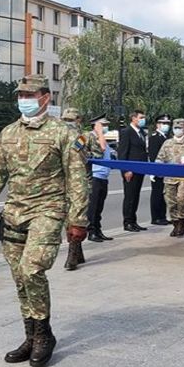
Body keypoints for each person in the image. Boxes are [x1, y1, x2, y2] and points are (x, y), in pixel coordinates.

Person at [0, 74, 88, 367]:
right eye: (20, 94)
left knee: (31, 269)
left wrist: (78, 219)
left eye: (28, 94)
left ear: (45, 97)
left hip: (48, 210)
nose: (23, 99)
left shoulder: (63, 133)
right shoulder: (9, 133)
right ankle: (31, 334)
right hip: (14, 212)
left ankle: (45, 334)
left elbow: (77, 178)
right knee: (19, 276)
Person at [155, 118, 184, 237]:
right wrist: (156, 167)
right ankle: (175, 223)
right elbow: (160, 158)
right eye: (175, 128)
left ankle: (181, 222)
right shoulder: (167, 143)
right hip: (169, 177)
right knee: (170, 202)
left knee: (181, 199)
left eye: (179, 128)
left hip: (183, 177)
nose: (177, 130)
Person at [60, 108, 91, 271]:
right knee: (71, 218)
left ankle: (73, 255)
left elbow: (81, 158)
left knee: (75, 218)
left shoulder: (80, 137)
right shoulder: (73, 136)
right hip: (66, 182)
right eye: (66, 120)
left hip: (75, 182)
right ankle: (77, 253)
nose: (68, 124)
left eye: (70, 120)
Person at [117, 109, 149, 231]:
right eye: (141, 117)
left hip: (140, 169)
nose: (143, 120)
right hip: (130, 171)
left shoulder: (141, 132)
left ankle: (133, 220)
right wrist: (125, 170)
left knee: (136, 196)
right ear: (134, 118)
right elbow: (122, 153)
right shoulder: (127, 132)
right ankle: (127, 222)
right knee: (129, 196)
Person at [87, 114, 114, 242]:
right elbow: (101, 149)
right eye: (103, 125)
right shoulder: (87, 136)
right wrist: (99, 132)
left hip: (103, 177)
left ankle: (98, 230)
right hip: (94, 177)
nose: (105, 128)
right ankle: (91, 231)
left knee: (99, 206)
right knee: (93, 206)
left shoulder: (102, 138)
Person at [147, 114, 171, 226]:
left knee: (164, 194)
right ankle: (155, 217)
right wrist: (155, 170)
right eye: (164, 123)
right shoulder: (154, 138)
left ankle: (162, 216)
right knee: (157, 194)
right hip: (158, 170)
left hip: (166, 170)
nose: (166, 125)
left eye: (167, 124)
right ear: (158, 125)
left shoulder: (167, 138)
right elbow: (153, 155)